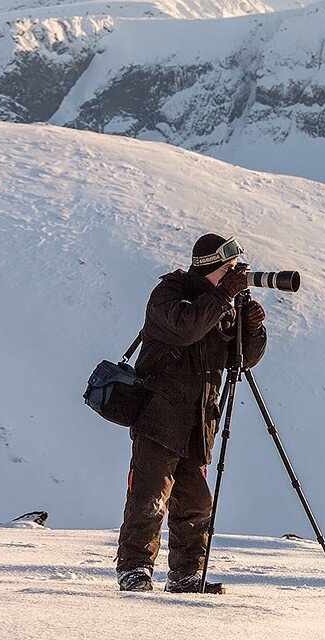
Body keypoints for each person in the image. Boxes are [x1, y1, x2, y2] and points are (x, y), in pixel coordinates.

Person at [115, 234, 267, 593]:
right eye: (228, 270)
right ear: (209, 267)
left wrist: (252, 329)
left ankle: (187, 575)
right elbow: (186, 328)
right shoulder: (169, 295)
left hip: (199, 422)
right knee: (149, 498)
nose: (235, 276)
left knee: (196, 504)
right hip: (158, 416)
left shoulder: (221, 304)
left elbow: (240, 361)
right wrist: (222, 296)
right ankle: (134, 569)